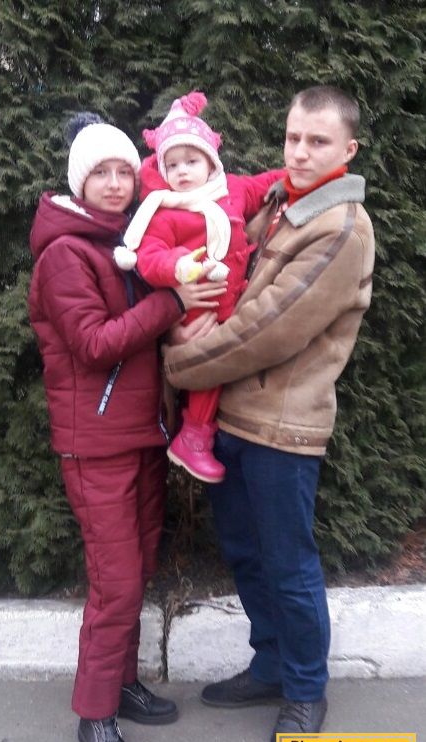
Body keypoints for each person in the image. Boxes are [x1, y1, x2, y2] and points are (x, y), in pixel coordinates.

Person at [163, 85, 375, 742]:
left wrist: (177, 362)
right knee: (248, 554)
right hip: (230, 416)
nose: (300, 151)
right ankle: (270, 665)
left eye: (317, 141)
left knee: (288, 564)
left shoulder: (340, 228)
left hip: (283, 427)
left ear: (347, 149)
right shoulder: (279, 204)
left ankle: (305, 691)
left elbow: (267, 328)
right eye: (292, 137)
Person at [28, 112, 226, 742]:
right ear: (78, 181)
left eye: (122, 171)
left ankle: (122, 682)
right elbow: (93, 344)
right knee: (114, 584)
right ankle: (95, 712)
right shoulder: (66, 254)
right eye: (100, 173)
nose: (115, 183)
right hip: (96, 445)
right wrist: (173, 301)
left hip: (141, 434)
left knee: (136, 571)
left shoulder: (123, 241)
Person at [113, 91, 285, 484]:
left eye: (192, 161)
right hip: (198, 306)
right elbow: (149, 257)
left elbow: (267, 183)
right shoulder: (165, 211)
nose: (182, 172)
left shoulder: (232, 190)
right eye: (172, 164)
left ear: (211, 162)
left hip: (233, 299)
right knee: (212, 367)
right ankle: (194, 436)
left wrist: (299, 178)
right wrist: (179, 266)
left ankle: (197, 432)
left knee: (222, 368)